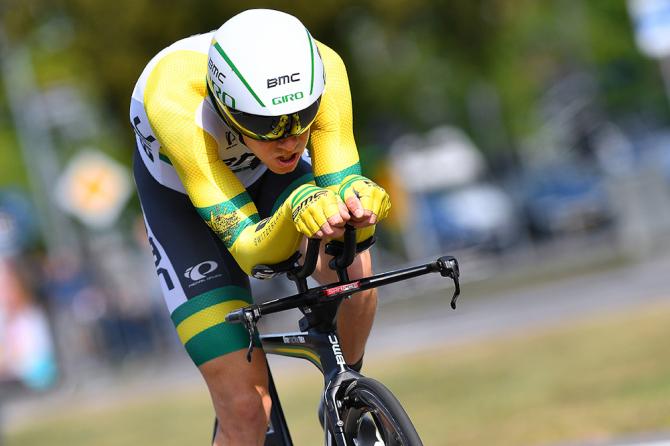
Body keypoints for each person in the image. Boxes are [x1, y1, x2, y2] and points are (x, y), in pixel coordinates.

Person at [129, 8, 390, 445]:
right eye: (266, 126)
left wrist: (360, 208)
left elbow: (344, 196)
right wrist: (293, 211)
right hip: (183, 200)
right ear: (227, 110)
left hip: (272, 180)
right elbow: (252, 252)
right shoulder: (173, 96)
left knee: (353, 264)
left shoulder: (326, 69)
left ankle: (346, 396)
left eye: (303, 118)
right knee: (247, 412)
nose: (289, 141)